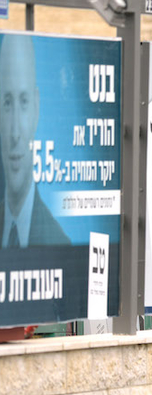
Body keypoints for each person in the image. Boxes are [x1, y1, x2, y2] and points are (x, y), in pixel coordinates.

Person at [0, 34, 69, 248]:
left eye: (24, 102)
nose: (14, 133)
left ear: (36, 109)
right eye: (7, 103)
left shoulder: (59, 245)